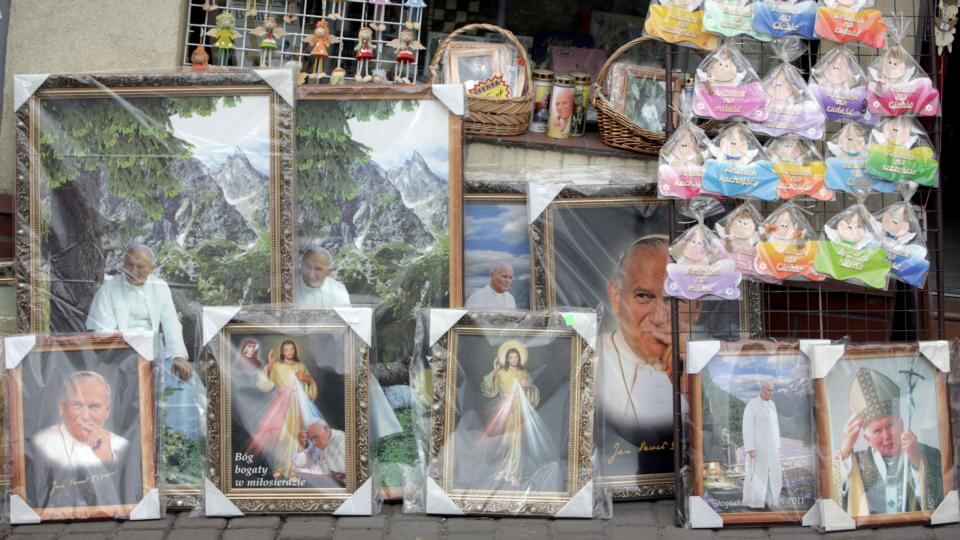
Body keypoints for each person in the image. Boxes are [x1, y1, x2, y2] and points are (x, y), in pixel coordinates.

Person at [599, 235, 703, 475]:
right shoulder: (586, 360)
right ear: (616, 299)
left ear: (697, 307)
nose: (659, 317)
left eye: (674, 299)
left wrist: (697, 386)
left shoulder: (714, 366)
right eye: (644, 296)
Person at [85, 243, 197, 441]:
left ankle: (178, 442)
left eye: (140, 266)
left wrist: (179, 356)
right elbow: (105, 334)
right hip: (120, 360)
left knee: (185, 384)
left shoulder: (160, 288)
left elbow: (171, 324)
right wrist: (129, 360)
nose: (132, 271)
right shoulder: (108, 290)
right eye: (128, 265)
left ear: (151, 269)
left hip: (157, 356)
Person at [838, 367, 944, 515]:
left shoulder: (930, 454)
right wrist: (846, 448)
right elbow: (834, 496)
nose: (887, 436)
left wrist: (916, 460)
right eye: (877, 431)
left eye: (890, 425)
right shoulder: (855, 464)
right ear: (867, 439)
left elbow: (939, 503)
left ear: (901, 424)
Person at [480, 341, 553, 487]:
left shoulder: (524, 373)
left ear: (519, 358)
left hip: (520, 409)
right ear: (506, 359)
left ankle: (514, 472)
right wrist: (494, 371)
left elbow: (532, 394)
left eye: (516, 357)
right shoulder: (501, 372)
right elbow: (489, 390)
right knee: (505, 440)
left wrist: (529, 386)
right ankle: (503, 468)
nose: (514, 360)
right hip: (505, 410)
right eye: (511, 357)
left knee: (517, 440)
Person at [249, 340, 320, 481]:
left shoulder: (301, 366)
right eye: (286, 349)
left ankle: (295, 470)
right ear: (282, 352)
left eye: (292, 349)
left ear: (295, 350)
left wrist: (307, 379)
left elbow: (310, 387)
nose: (289, 352)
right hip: (281, 405)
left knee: (297, 435)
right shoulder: (277, 366)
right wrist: (270, 365)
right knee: (281, 435)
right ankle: (280, 467)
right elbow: (264, 384)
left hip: (298, 405)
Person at [31, 372, 129, 469]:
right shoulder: (40, 445)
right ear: (61, 406)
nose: (85, 416)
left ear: (107, 410)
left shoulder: (122, 446)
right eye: (77, 405)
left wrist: (107, 459)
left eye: (94, 406)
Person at [742, 380, 783, 509]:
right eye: (768, 390)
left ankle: (771, 500)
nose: (771, 393)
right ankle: (755, 502)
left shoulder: (773, 405)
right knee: (757, 474)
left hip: (772, 448)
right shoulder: (752, 405)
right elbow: (747, 427)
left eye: (772, 390)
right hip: (758, 448)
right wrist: (750, 448)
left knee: (774, 473)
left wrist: (778, 445)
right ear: (762, 389)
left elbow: (776, 426)